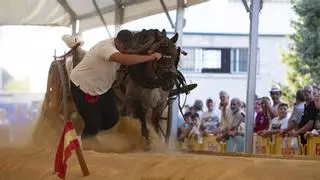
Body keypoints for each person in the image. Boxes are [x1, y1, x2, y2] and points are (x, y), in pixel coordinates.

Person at [69, 30, 162, 144]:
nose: (127, 49)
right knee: (93, 124)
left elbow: (131, 53)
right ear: (117, 41)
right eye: (125, 46)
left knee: (112, 120)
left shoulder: (123, 46)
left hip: (103, 88)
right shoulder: (105, 47)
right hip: (82, 86)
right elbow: (125, 60)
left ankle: (93, 131)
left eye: (129, 46)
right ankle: (89, 145)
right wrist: (151, 57)